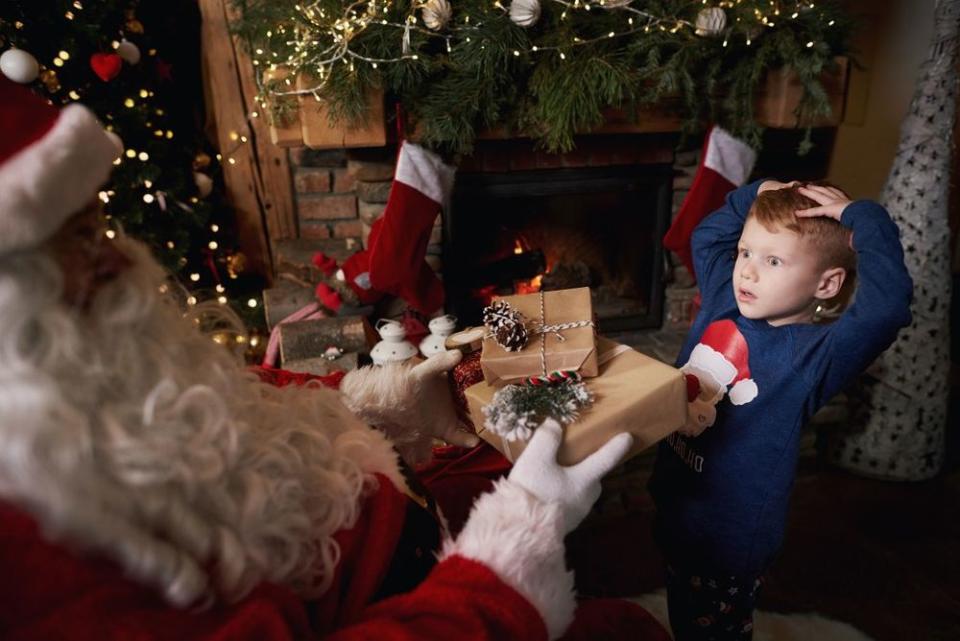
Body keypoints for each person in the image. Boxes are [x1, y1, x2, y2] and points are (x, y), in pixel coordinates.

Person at [0, 76, 672, 640]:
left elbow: (201, 409)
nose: (120, 258)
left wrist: (363, 401)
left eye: (100, 223)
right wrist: (506, 565)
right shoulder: (38, 573)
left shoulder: (68, 404)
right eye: (81, 238)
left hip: (388, 515)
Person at [649, 179, 913, 640]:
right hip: (676, 506)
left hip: (725, 544)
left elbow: (885, 308)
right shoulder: (723, 301)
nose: (748, 272)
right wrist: (755, 193)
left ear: (827, 284)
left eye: (773, 261)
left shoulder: (814, 357)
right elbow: (706, 237)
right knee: (680, 616)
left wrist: (861, 215)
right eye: (746, 252)